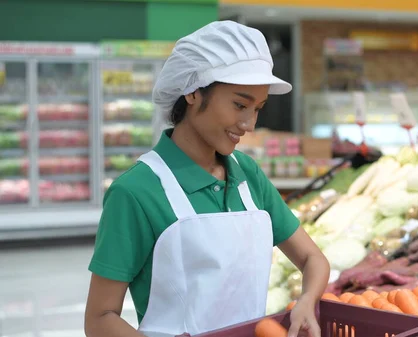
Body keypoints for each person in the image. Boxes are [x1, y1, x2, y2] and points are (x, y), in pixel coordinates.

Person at [84, 21, 330, 337]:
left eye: (258, 108)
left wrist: (306, 302)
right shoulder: (136, 191)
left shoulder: (247, 174)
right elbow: (100, 318)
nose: (249, 124)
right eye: (239, 104)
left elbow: (313, 259)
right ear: (193, 92)